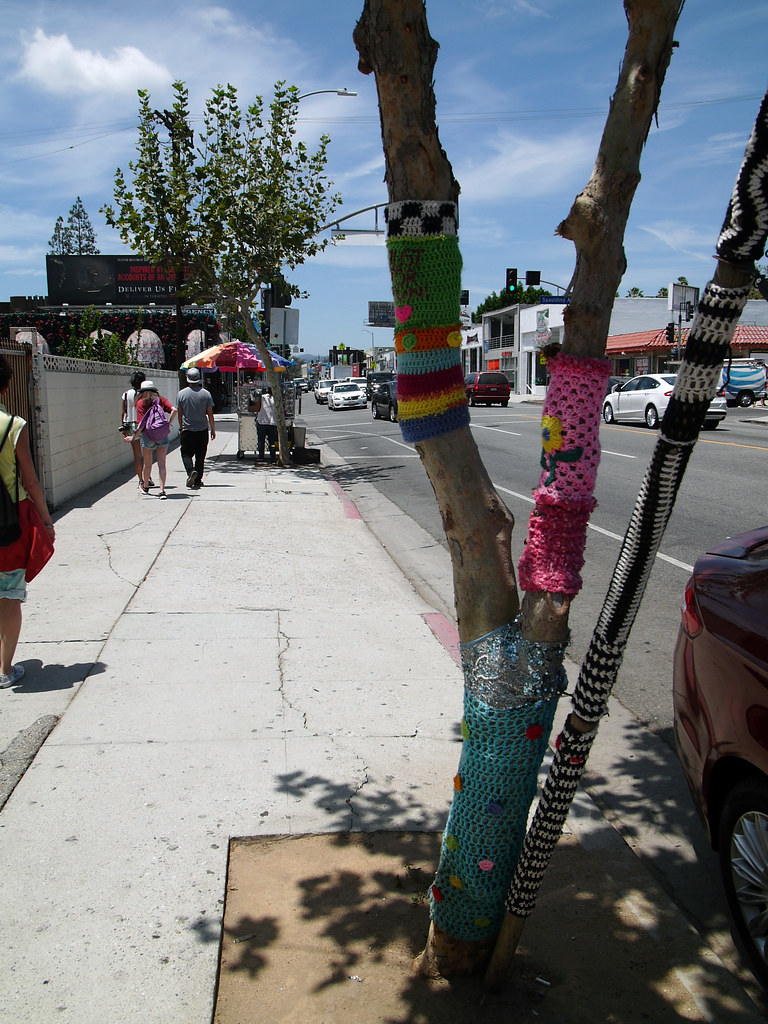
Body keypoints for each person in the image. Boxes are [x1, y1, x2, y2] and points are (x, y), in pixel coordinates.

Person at [0, 356, 55, 688]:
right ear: (6, 386)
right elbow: (31, 481)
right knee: (8, 594)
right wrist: (46, 522)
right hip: (10, 519)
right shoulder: (13, 426)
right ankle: (5, 670)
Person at [127, 382, 177, 499]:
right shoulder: (161, 400)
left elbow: (141, 424)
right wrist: (168, 424)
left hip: (148, 435)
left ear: (142, 391)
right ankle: (162, 490)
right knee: (162, 464)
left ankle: (145, 486)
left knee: (147, 464)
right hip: (161, 434)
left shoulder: (141, 403)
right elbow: (174, 409)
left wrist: (134, 437)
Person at [176, 367, 215, 489]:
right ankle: (198, 480)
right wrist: (212, 429)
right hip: (202, 430)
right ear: (199, 379)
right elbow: (210, 413)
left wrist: (180, 427)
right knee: (200, 456)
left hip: (187, 430)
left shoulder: (181, 394)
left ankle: (190, 471)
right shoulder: (206, 394)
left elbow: (179, 413)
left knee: (186, 454)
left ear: (188, 379)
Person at [121, 370, 154, 489]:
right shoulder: (145, 394)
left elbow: (123, 412)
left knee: (137, 455)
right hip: (143, 424)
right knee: (147, 453)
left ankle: (140, 479)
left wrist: (123, 427)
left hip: (130, 425)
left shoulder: (126, 394)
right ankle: (147, 477)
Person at [253, 386, 278, 462]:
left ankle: (261, 456)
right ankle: (272, 456)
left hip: (261, 422)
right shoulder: (276, 399)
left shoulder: (261, 397)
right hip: (272, 423)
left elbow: (255, 406)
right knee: (272, 442)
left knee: (261, 440)